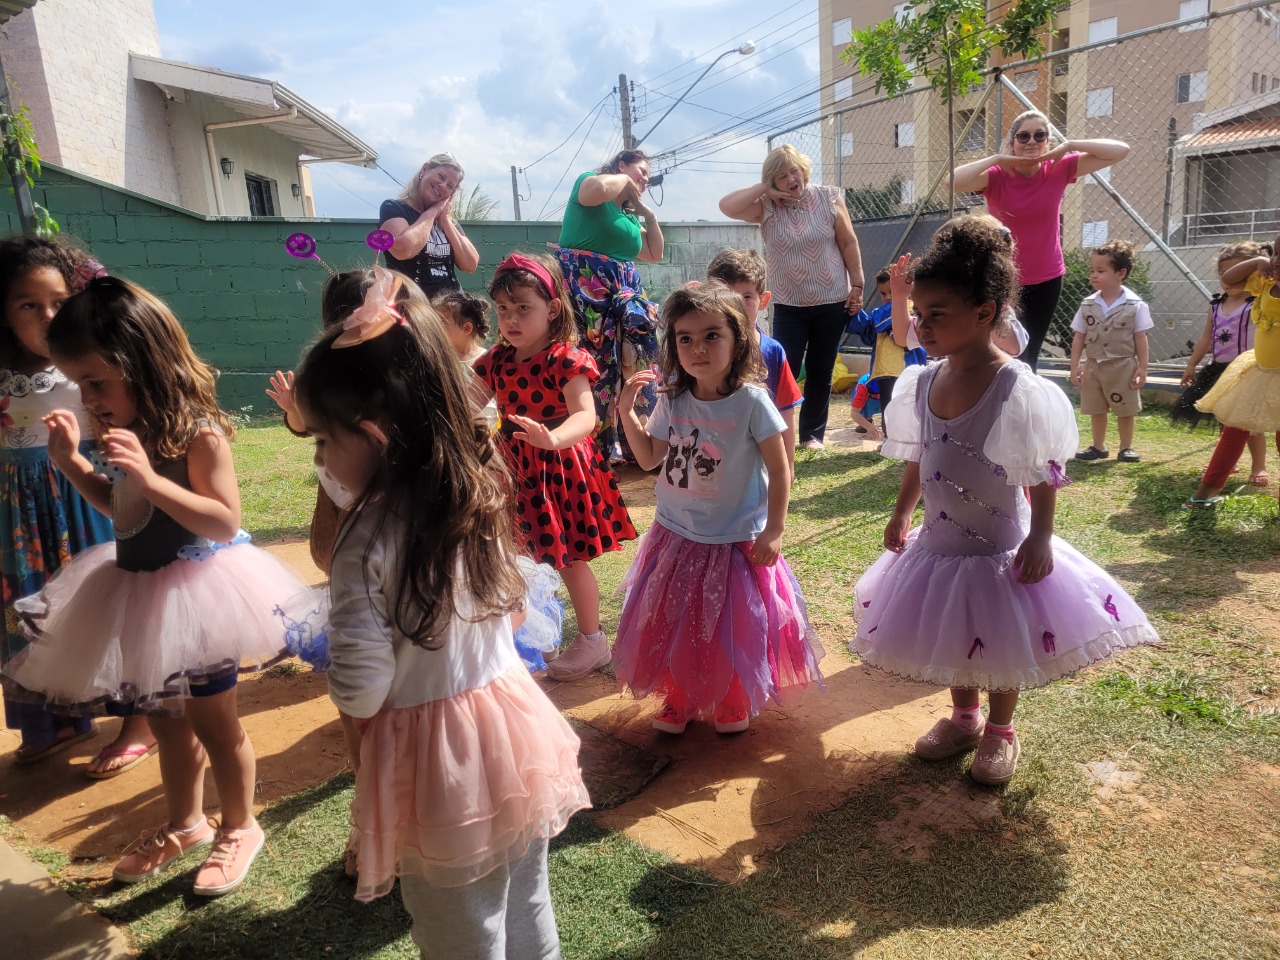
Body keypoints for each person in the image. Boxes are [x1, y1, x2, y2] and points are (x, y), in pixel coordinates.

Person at [290, 272, 590, 956]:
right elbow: (510, 617)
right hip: (511, 730)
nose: (323, 458)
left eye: (322, 442)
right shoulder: (476, 490)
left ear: (367, 432)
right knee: (525, 899)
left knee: (458, 925)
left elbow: (362, 685)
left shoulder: (361, 540)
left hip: (436, 766)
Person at [3, 277, 308, 894]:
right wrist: (75, 466)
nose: (89, 400)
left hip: (200, 597)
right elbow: (125, 513)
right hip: (138, 594)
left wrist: (148, 474)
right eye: (80, 385)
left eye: (95, 383)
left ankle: (240, 826)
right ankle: (186, 821)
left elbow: (222, 520)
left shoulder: (198, 433)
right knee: (167, 724)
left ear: (142, 363)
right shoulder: (122, 432)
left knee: (217, 726)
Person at [851, 216, 1158, 786]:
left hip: (998, 546)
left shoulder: (1017, 388)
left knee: (1000, 640)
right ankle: (964, 717)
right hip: (940, 544)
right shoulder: (923, 381)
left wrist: (1040, 534)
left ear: (986, 312)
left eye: (937, 313)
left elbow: (1040, 472)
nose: (923, 324)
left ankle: (1000, 730)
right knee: (953, 629)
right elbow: (921, 453)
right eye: (919, 312)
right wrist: (900, 510)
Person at [612, 282, 824, 735]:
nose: (697, 348)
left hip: (735, 539)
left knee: (731, 625)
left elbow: (780, 467)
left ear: (738, 339)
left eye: (712, 335)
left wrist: (775, 529)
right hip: (677, 535)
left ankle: (731, 696)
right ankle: (681, 696)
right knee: (676, 619)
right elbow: (650, 458)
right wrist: (627, 413)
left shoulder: (751, 402)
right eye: (685, 338)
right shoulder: (673, 398)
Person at [0, 237, 156, 778]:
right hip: (21, 514)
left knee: (107, 606)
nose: (47, 317)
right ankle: (56, 722)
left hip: (87, 496)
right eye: (28, 304)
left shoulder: (88, 363)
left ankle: (137, 723)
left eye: (58, 302)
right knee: (33, 609)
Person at [471, 252, 637, 681]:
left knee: (567, 560)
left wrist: (552, 438)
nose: (511, 319)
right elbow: (470, 407)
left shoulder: (565, 358)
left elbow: (585, 416)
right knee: (507, 557)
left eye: (523, 308)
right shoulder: (494, 361)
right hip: (509, 469)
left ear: (553, 308)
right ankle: (515, 637)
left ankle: (592, 641)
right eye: (503, 309)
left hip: (559, 470)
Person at [950, 110, 1130, 370]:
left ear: (1048, 141)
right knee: (1003, 353)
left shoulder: (1059, 168)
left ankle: (1024, 408)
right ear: (1012, 143)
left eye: (1039, 135)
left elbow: (1120, 150)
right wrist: (998, 158)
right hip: (1004, 279)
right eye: (1023, 136)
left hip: (1047, 278)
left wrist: (1069, 145)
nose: (1031, 141)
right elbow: (951, 182)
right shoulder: (998, 174)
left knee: (1028, 355)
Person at [719, 144, 865, 451]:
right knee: (778, 368)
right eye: (781, 175)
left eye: (794, 171)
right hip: (789, 304)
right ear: (773, 181)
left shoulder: (829, 197)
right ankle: (771, 432)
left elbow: (848, 242)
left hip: (831, 300)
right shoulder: (765, 206)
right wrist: (764, 189)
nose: (790, 179)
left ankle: (812, 436)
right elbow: (726, 206)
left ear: (804, 170)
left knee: (821, 369)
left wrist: (858, 284)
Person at [555, 149, 663, 462]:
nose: (644, 178)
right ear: (621, 165)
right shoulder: (589, 185)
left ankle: (636, 447)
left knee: (635, 366)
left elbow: (654, 252)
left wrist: (647, 213)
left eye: (646, 175)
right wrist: (624, 180)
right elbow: (600, 190)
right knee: (592, 367)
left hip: (624, 296)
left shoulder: (627, 217)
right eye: (640, 170)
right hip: (586, 290)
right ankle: (590, 450)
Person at [1172, 241, 1270, 494]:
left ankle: (1258, 466)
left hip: (1250, 371)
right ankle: (1229, 462)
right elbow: (1206, 338)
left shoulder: (1258, 303)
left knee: (1250, 424)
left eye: (1239, 274)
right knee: (1226, 418)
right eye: (1224, 274)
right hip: (1220, 369)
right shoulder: (1216, 305)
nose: (1229, 281)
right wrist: (1192, 364)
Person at [1192, 238, 1280, 512]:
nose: (1276, 259)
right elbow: (1228, 281)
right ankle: (1205, 492)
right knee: (1234, 431)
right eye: (1276, 252)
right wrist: (1258, 261)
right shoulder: (1264, 282)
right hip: (1260, 373)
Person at [705, 248, 804, 474]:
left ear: (763, 300)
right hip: (711, 461)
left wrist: (788, 467)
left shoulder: (772, 352)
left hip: (759, 465)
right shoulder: (701, 351)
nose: (736, 307)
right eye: (726, 297)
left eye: (746, 297)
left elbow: (785, 412)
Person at [1069, 240, 1151, 463]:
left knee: (1125, 409)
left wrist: (1142, 368)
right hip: (1094, 366)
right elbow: (1079, 336)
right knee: (1096, 407)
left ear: (1120, 273)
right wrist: (1075, 365)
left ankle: (1126, 448)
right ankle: (1098, 446)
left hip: (1123, 366)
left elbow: (1140, 337)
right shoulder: (1087, 304)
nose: (1093, 275)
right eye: (1092, 271)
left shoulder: (1136, 305)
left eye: (1101, 271)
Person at [380, 154, 479, 299]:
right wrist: (432, 212)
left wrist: (445, 221)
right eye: (441, 176)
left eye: (450, 186)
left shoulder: (448, 222)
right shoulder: (394, 208)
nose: (443, 186)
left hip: (453, 312)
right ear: (424, 170)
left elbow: (470, 264)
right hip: (414, 311)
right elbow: (402, 250)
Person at [850, 373, 882, 440]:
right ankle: (866, 419)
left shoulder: (898, 383)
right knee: (863, 407)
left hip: (889, 397)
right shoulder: (864, 385)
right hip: (869, 398)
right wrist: (868, 426)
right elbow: (854, 412)